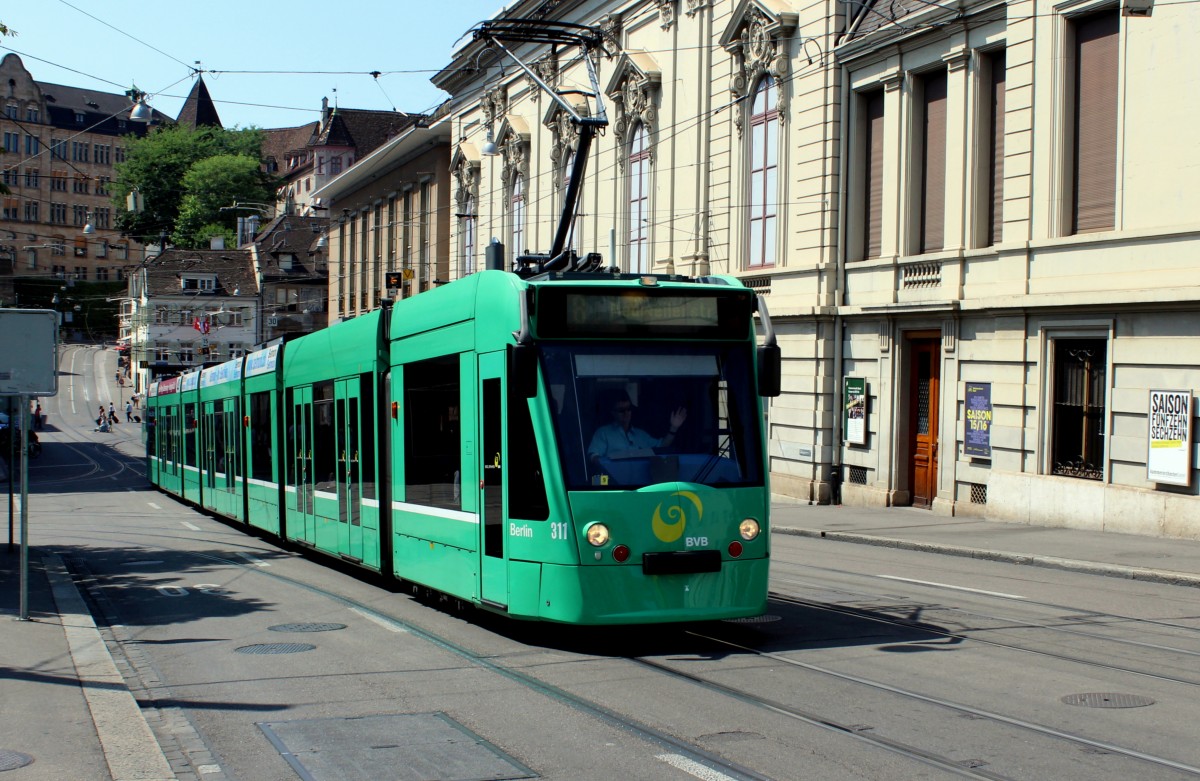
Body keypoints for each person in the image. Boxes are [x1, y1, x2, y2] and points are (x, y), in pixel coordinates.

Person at [587, 390, 686, 463]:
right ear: (613, 413)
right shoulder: (603, 433)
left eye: (628, 409)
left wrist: (674, 427)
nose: (626, 413)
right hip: (615, 486)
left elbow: (662, 446)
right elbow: (594, 457)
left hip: (640, 487)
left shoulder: (641, 435)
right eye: (621, 410)